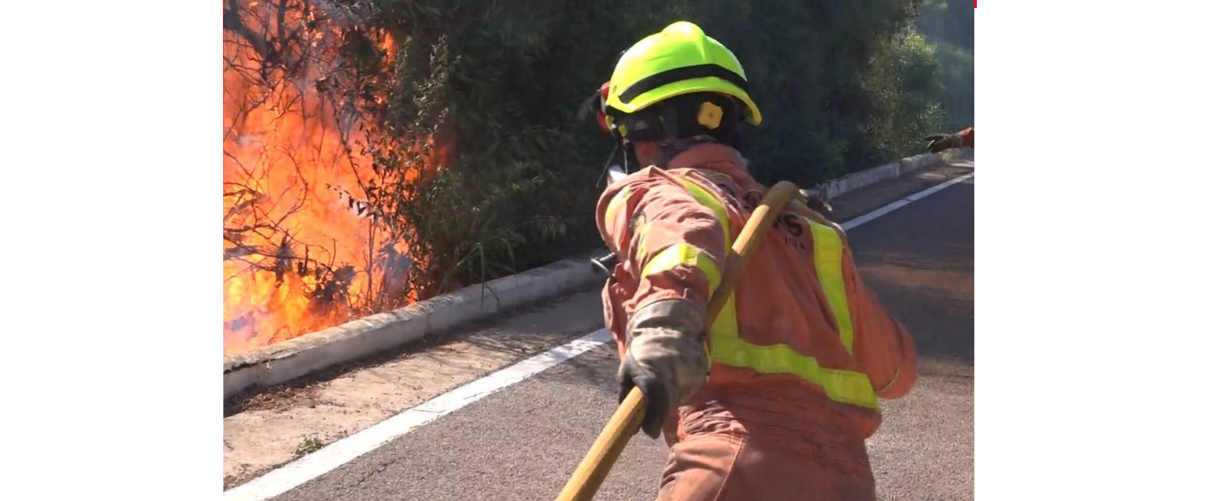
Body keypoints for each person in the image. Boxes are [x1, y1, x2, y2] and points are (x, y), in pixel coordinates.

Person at [589, 21, 919, 500]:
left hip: (732, 462)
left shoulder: (663, 191)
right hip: (847, 481)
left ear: (645, 131)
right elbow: (897, 373)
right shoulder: (814, 232)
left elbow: (681, 232)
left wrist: (664, 324)